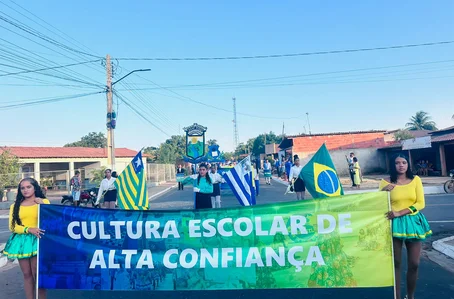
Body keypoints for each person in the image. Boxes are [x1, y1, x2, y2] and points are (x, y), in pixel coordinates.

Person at [379, 154, 432, 299]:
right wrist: (384, 192)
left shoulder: (416, 180)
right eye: (397, 163)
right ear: (393, 165)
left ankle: (411, 296)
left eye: (404, 162)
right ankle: (396, 296)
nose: (401, 165)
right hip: (393, 224)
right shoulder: (385, 182)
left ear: (408, 164)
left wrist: (400, 212)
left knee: (414, 263)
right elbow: (379, 203)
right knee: (396, 263)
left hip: (413, 223)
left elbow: (420, 203)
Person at [1, 178, 49, 299]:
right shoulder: (15, 205)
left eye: (29, 187)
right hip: (22, 242)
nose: (25, 190)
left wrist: (42, 204)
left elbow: (51, 218)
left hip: (38, 239)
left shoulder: (43, 202)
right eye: (22, 188)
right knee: (27, 274)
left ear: (35, 188)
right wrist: (28, 229)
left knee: (37, 274)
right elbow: (12, 226)